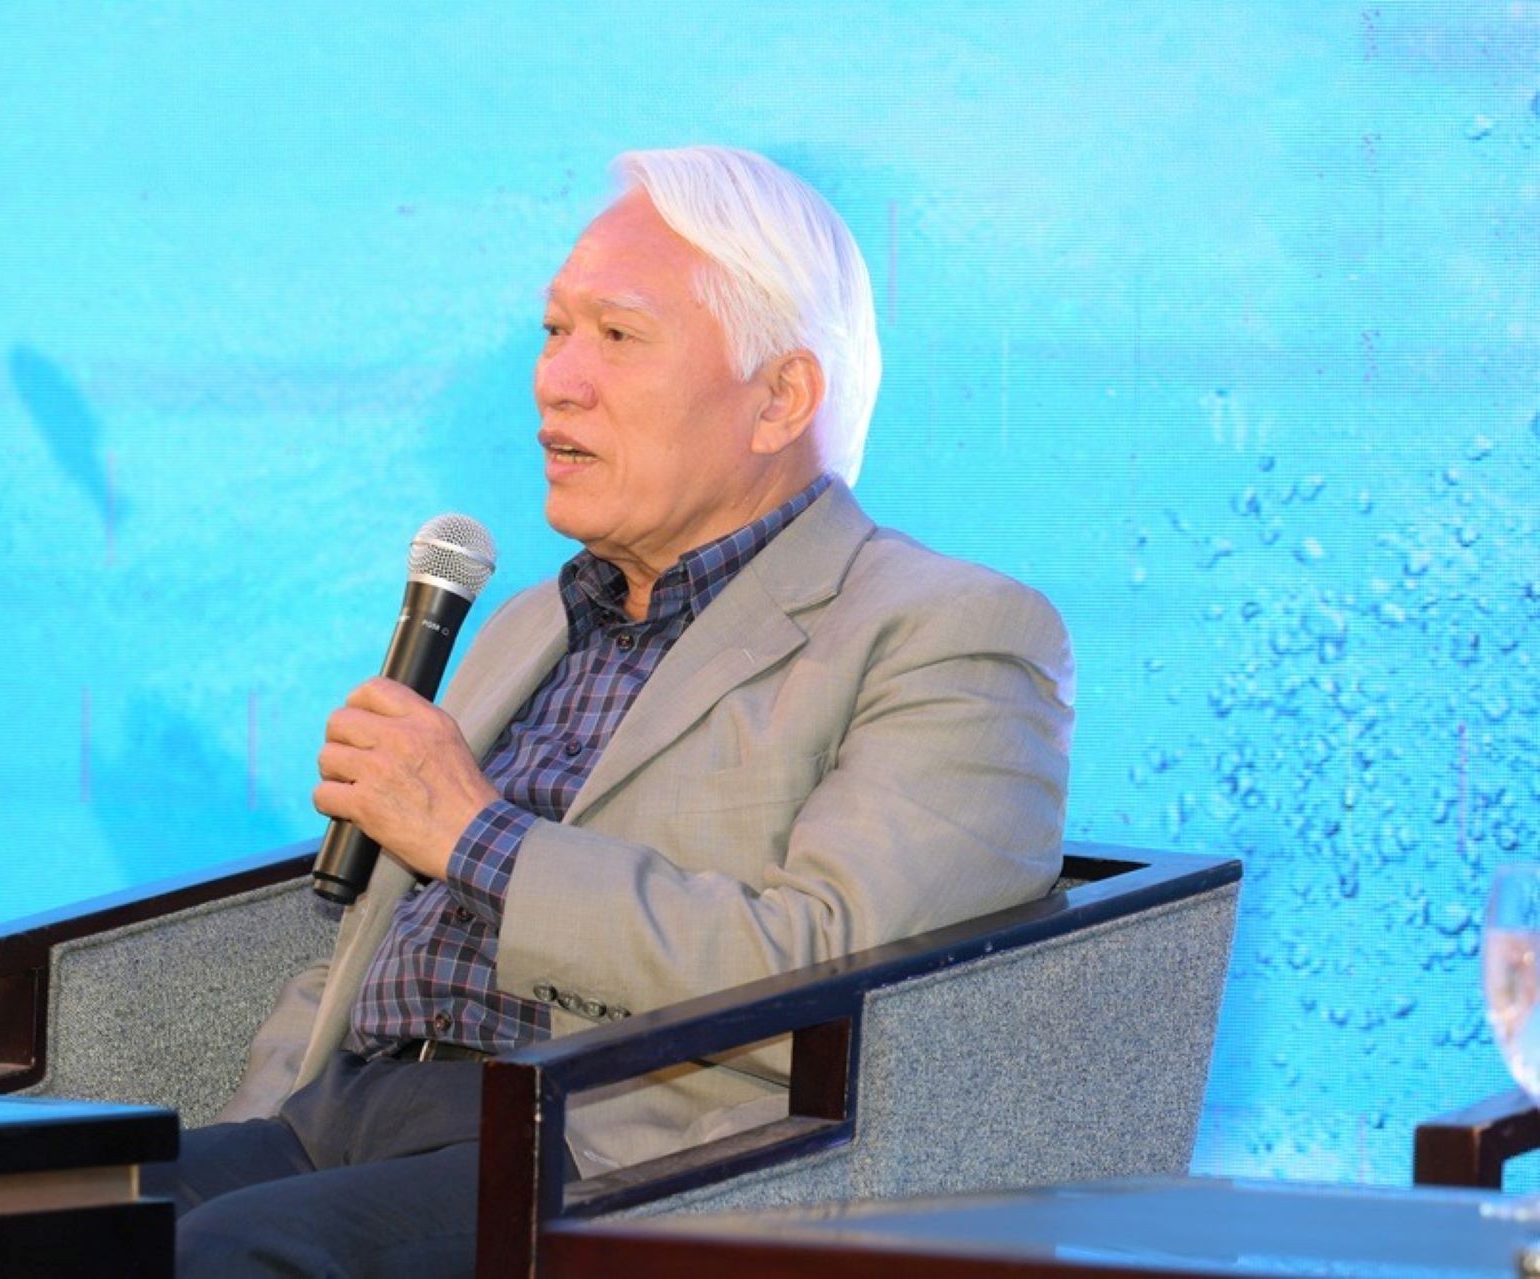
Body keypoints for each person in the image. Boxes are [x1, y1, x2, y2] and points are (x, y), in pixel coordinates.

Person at [149, 145, 1074, 1277]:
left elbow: (843, 981)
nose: (557, 380)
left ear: (780, 397)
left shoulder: (950, 630)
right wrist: (264, 1118)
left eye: (619, 336)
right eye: (554, 331)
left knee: (229, 1251)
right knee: (19, 1209)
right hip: (341, 1118)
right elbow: (372, 937)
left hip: (612, 1162)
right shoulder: (530, 619)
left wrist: (475, 834)